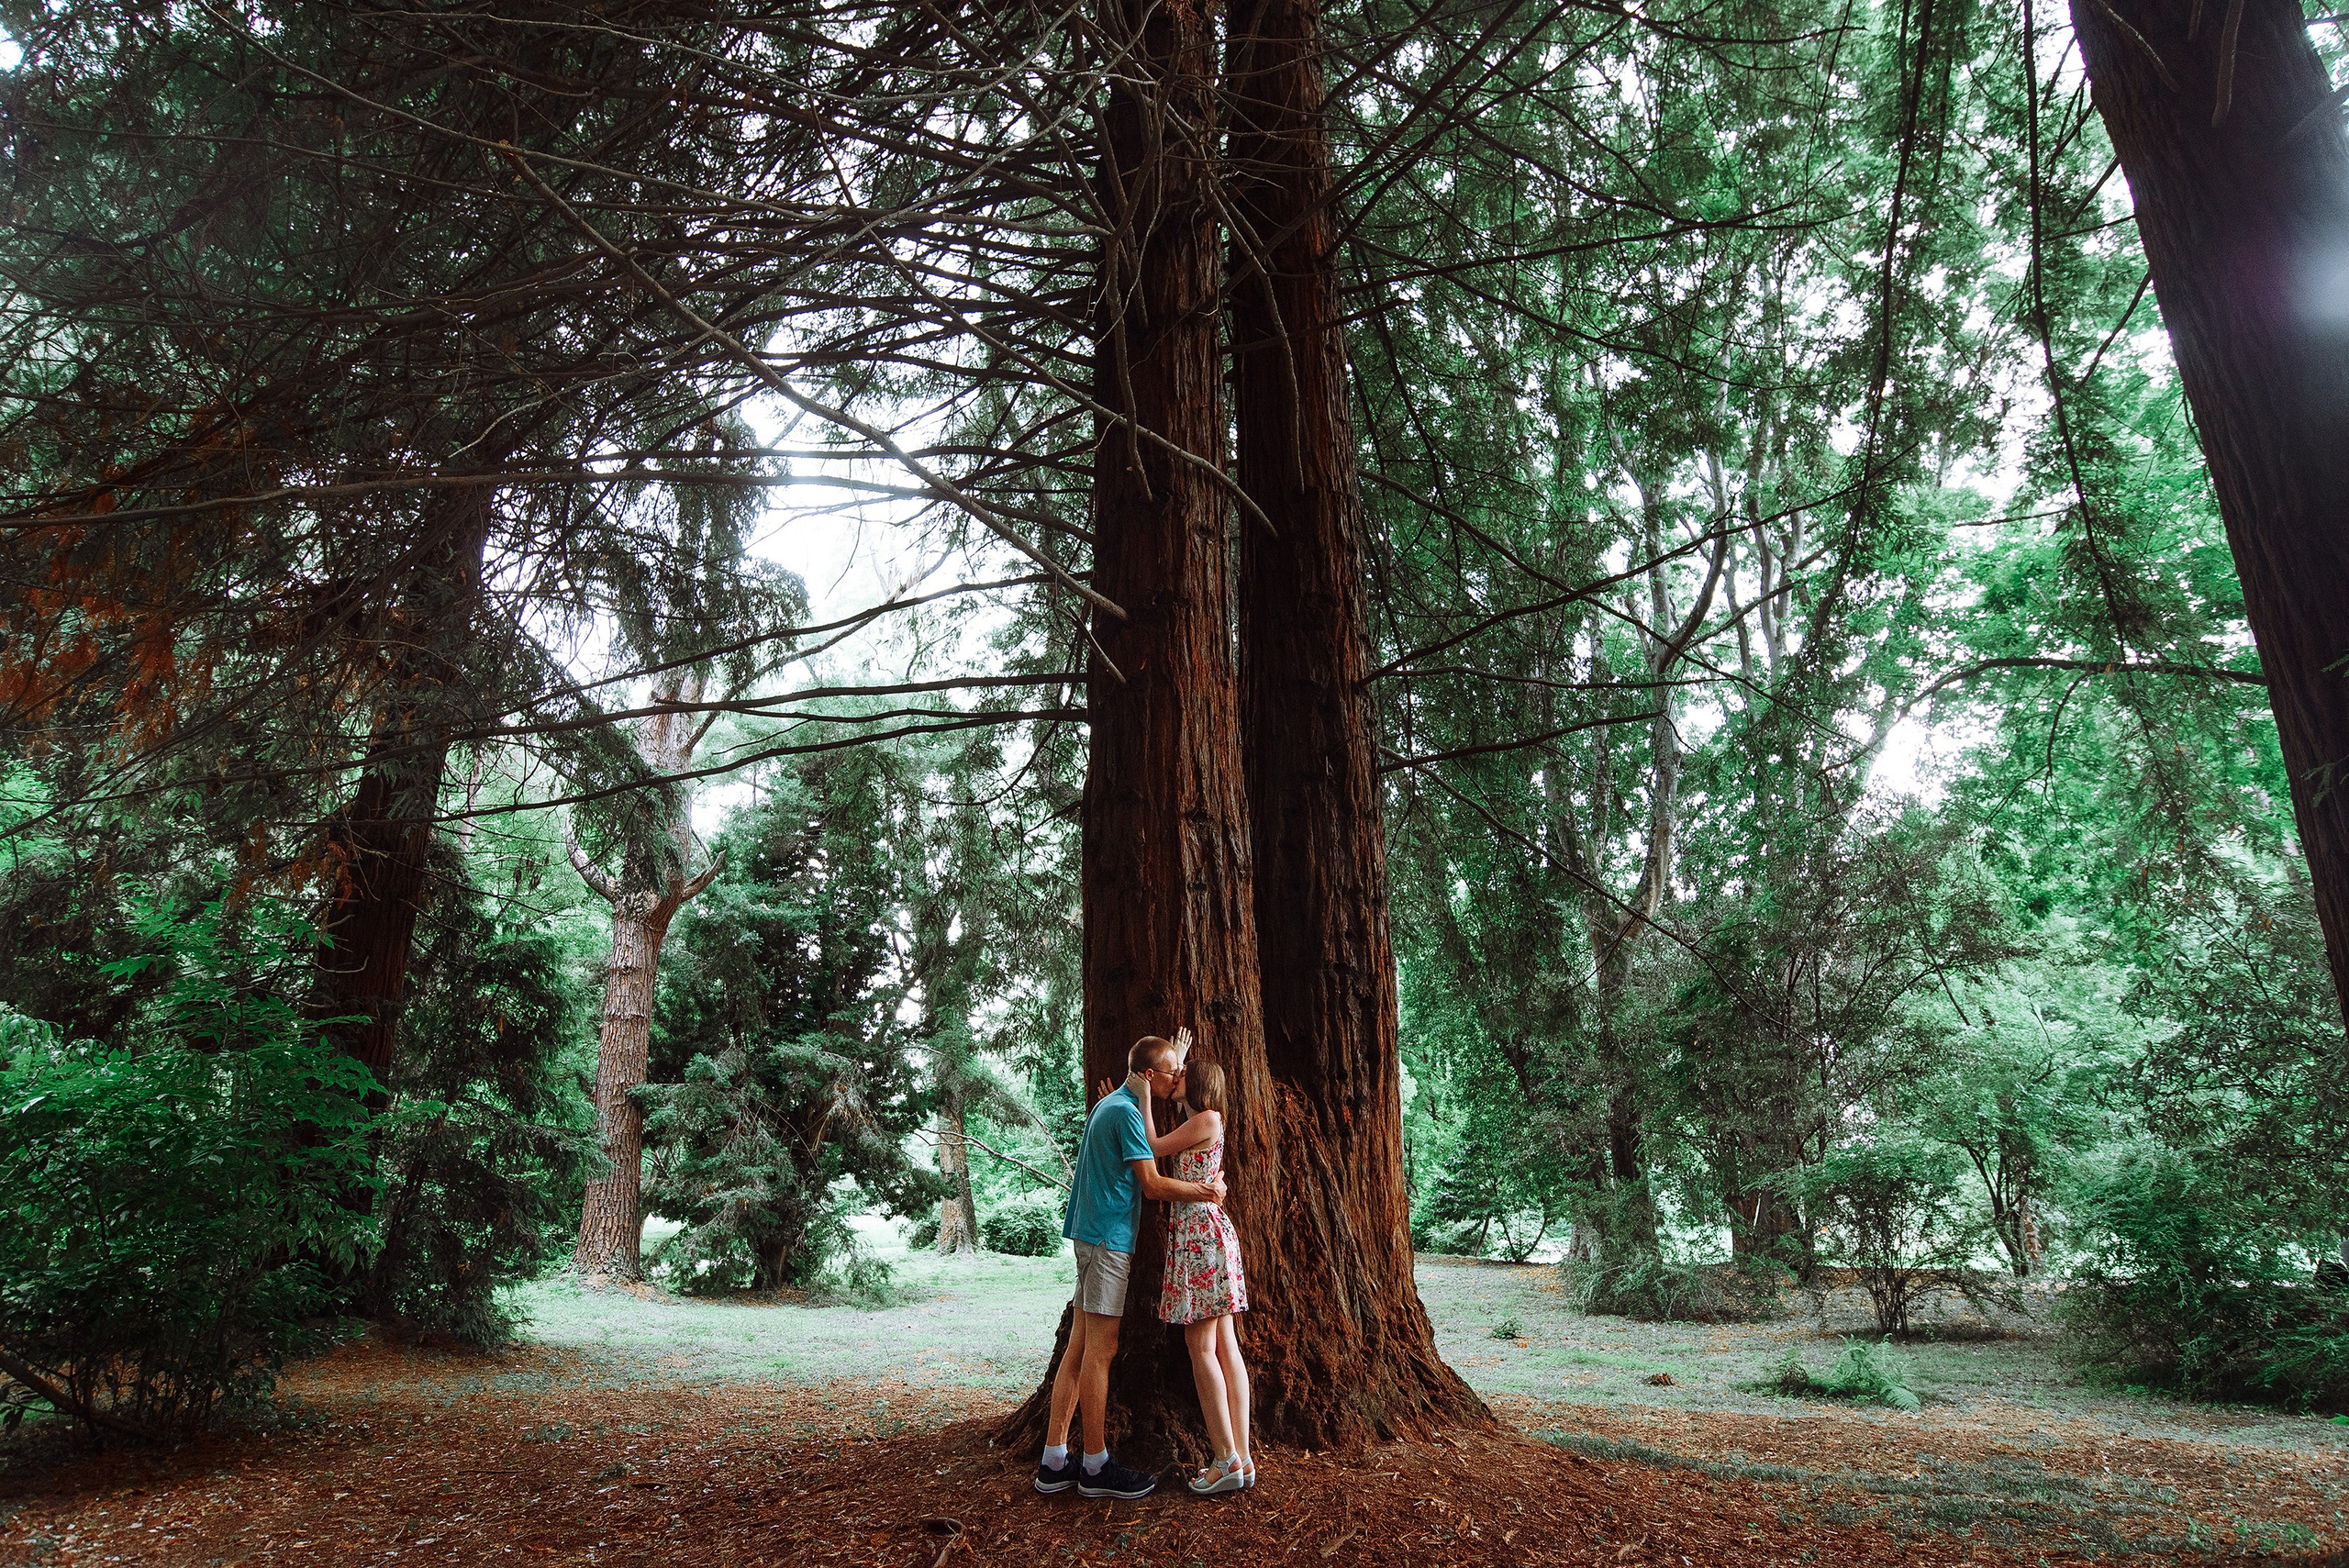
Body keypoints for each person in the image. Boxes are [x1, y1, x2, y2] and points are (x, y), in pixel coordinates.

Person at [1034, 1029, 1225, 1500]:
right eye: (1170, 1073)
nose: (1177, 1078)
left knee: (1079, 1350)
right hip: (1106, 1243)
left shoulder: (1112, 1105)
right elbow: (1153, 1185)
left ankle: (1054, 1460)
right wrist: (1207, 1191)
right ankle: (1095, 1467)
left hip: (1091, 1237)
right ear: (1147, 1075)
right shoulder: (1124, 1113)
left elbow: (1154, 1094)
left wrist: (1167, 1062)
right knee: (1101, 1351)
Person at [1149, 1056, 1254, 1495]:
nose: (1175, 1078)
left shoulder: (1207, 1118)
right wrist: (1169, 1069)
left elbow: (1152, 1146)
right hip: (1203, 1236)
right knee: (1225, 1346)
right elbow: (1171, 1127)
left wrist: (1138, 1093)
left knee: (1201, 1345)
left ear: (1199, 1083)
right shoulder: (1200, 1120)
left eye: (1182, 1074)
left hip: (1201, 1239)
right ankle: (1242, 1460)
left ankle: (1225, 1459)